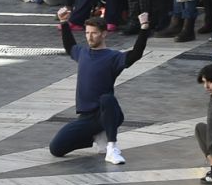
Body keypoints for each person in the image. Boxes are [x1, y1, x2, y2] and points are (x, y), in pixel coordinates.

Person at [50, 9, 151, 163]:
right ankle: (96, 135)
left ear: (104, 34)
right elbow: (69, 46)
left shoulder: (113, 57)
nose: (89, 37)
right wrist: (64, 22)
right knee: (56, 149)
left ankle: (112, 147)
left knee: (107, 98)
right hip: (86, 117)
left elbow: (135, 54)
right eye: (87, 33)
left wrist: (144, 27)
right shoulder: (82, 53)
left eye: (94, 33)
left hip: (105, 112)